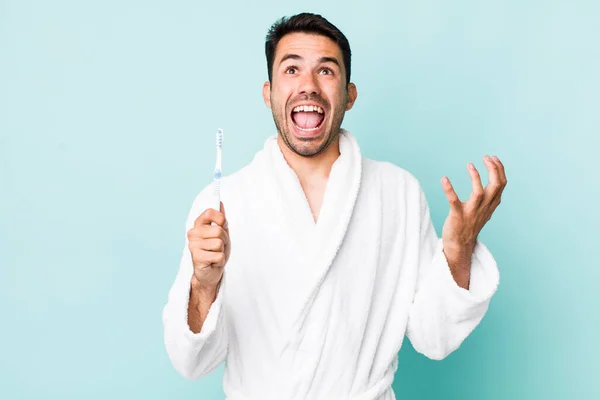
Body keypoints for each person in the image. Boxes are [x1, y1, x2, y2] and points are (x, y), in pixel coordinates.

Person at [162, 12, 507, 400]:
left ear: (349, 94)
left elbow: (435, 336)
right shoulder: (222, 203)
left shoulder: (398, 193)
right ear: (268, 92)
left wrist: (459, 249)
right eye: (291, 69)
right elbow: (191, 363)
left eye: (326, 71)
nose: (307, 85)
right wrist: (204, 285)